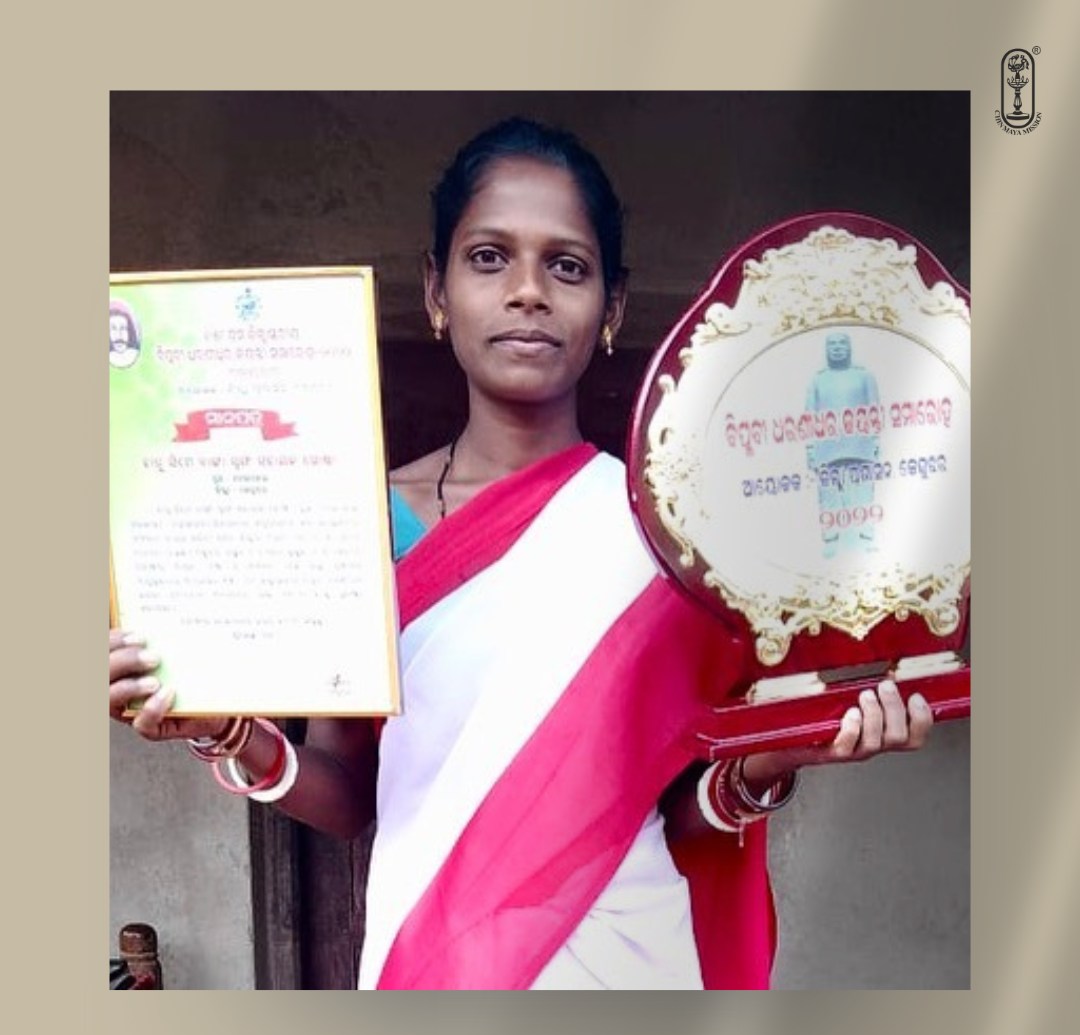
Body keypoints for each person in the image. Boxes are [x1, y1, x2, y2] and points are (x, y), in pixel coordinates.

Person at [109, 117, 934, 990]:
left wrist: (784, 753)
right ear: (438, 290)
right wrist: (228, 733)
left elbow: (687, 814)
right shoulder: (364, 522)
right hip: (434, 963)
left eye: (567, 266)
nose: (528, 291)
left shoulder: (674, 535)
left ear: (613, 305)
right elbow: (350, 795)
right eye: (489, 258)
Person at [804, 331, 881, 558]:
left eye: (842, 343)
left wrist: (875, 440)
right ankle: (830, 539)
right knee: (828, 497)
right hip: (826, 449)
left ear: (850, 347)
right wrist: (810, 448)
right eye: (832, 344)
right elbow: (809, 416)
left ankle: (866, 538)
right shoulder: (818, 380)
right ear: (826, 349)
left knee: (863, 494)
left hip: (860, 446)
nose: (837, 348)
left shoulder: (864, 376)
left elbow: (875, 410)